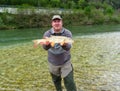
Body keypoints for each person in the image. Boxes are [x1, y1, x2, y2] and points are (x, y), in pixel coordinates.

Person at [40, 15, 77, 91]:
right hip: (52, 63)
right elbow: (45, 48)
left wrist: (64, 44)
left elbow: (68, 47)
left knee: (70, 82)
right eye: (55, 21)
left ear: (62, 22)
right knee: (56, 83)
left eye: (58, 21)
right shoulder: (47, 33)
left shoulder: (67, 33)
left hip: (65, 62)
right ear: (52, 23)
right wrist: (47, 44)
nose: (57, 23)